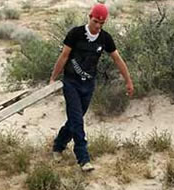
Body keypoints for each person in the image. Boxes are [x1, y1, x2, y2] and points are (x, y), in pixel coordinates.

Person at [49, 3, 134, 172]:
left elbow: (117, 59)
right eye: (95, 21)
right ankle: (83, 158)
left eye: (101, 23)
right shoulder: (76, 34)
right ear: (90, 17)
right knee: (77, 121)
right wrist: (53, 78)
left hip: (88, 84)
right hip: (71, 82)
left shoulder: (105, 38)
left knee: (75, 119)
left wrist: (128, 81)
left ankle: (58, 145)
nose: (97, 26)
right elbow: (64, 56)